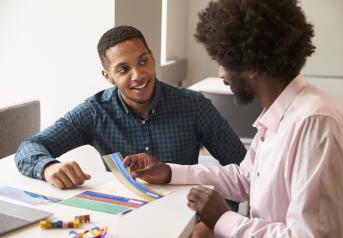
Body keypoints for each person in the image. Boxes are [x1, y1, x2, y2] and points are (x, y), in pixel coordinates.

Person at [122, 0, 343, 237]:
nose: (222, 73)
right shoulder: (280, 114)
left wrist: (224, 219)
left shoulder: (315, 123)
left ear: (251, 64)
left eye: (224, 62)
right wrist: (169, 172)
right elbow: (245, 179)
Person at [14, 25, 246, 191]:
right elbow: (30, 147)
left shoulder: (195, 105)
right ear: (108, 76)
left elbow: (243, 170)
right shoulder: (94, 111)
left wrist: (212, 220)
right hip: (122, 219)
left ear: (153, 58)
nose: (138, 75)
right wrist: (48, 167)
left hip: (185, 217)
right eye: (123, 69)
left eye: (143, 61)